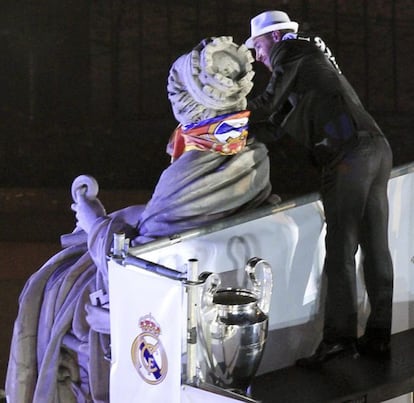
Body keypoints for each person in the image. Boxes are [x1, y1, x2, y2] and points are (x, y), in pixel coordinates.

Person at [244, 10, 394, 367]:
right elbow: (275, 125)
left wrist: (220, 119)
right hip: (376, 147)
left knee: (341, 249)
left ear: (276, 37)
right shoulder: (311, 63)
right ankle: (378, 338)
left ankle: (340, 340)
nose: (257, 56)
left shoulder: (291, 50)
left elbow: (266, 104)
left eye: (258, 46)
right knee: (375, 247)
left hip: (347, 155)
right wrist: (239, 137)